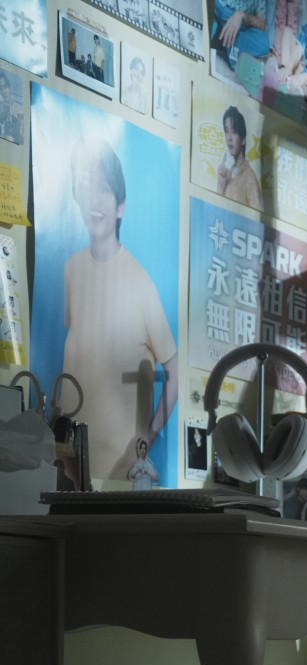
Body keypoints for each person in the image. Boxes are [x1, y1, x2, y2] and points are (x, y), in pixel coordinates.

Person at [62, 135, 180, 489]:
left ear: (120, 207)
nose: (94, 199)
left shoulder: (140, 282)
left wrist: (147, 440)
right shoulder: (72, 268)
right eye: (86, 185)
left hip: (117, 476)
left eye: (104, 188)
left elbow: (174, 372)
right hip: (68, 465)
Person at [216, 106, 264, 210]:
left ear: (243, 139)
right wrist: (221, 185)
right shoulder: (226, 173)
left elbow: (257, 217)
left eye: (233, 132)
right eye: (226, 131)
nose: (229, 138)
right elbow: (217, 211)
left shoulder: (250, 179)